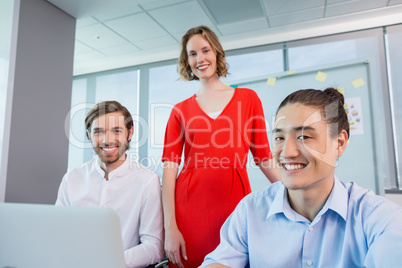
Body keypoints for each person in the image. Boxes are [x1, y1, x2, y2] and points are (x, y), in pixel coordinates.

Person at [200, 88, 402, 268]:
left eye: (305, 137)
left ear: (339, 143)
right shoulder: (250, 211)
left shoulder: (377, 218)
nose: (287, 152)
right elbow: (221, 261)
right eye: (279, 137)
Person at [161, 26, 281, 268]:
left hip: (234, 207)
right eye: (192, 54)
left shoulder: (248, 99)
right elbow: (169, 171)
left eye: (205, 50)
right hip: (188, 212)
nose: (200, 59)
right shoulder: (180, 111)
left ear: (216, 53)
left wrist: (295, 192)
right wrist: (170, 228)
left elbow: (264, 158)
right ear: (187, 61)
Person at [56, 101, 164, 268]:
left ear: (129, 133)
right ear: (88, 135)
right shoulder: (72, 178)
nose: (107, 140)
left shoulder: (147, 180)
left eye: (117, 131)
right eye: (99, 131)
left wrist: (108, 261)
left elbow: (154, 247)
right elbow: (58, 232)